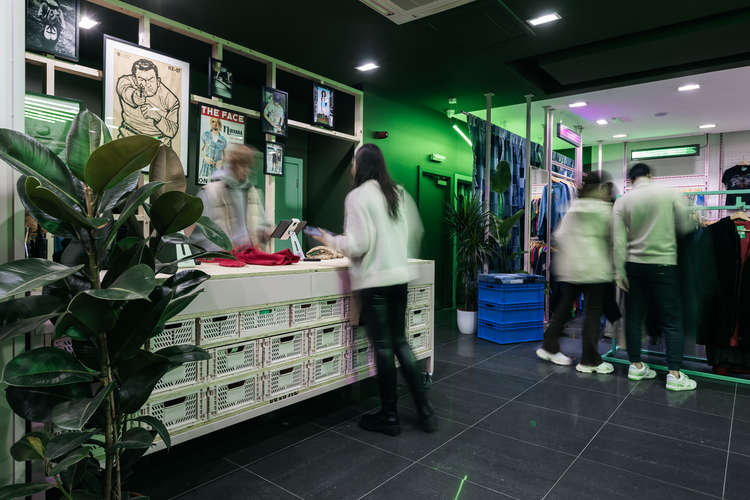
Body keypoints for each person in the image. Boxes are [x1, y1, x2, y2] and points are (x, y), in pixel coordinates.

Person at [312, 144, 435, 436]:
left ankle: (390, 415)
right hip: (399, 278)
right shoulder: (398, 193)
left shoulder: (357, 196)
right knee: (401, 343)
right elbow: (414, 233)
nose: (352, 169)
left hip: (375, 283)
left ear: (362, 165)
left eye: (354, 163)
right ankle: (425, 410)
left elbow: (357, 245)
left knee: (383, 347)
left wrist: (329, 240)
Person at [613, 163, 697, 391]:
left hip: (634, 265)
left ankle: (636, 365)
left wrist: (619, 272)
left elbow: (619, 241)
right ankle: (674, 374)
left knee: (634, 317)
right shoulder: (669, 193)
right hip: (664, 263)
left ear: (630, 180)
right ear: (650, 175)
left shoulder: (622, 201)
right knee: (672, 319)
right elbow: (686, 226)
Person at [536, 173, 616, 374]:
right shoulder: (604, 210)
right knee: (592, 313)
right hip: (595, 268)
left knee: (563, 309)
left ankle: (549, 346)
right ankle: (589, 360)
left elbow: (560, 235)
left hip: (571, 266)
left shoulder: (573, 207)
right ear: (599, 188)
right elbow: (614, 238)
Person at [193, 145, 272, 250]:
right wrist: (225, 248)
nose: (247, 170)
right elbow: (200, 237)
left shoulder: (253, 193)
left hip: (250, 259)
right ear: (233, 164)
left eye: (249, 166)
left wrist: (266, 232)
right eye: (243, 165)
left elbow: (262, 225)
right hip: (222, 261)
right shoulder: (209, 193)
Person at [116, 59, 180, 147]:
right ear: (135, 80)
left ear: (158, 81)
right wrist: (134, 97)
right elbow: (125, 90)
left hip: (158, 147)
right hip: (129, 141)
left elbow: (172, 131)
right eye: (142, 80)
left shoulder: (170, 99)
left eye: (151, 79)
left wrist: (157, 117)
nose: (147, 84)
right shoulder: (125, 81)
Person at [199, 117, 227, 181]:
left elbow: (225, 158)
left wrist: (222, 161)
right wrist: (205, 158)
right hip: (206, 169)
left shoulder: (223, 140)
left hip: (217, 169)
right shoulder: (206, 135)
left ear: (219, 124)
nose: (215, 123)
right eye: (213, 121)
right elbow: (200, 150)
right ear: (211, 123)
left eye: (217, 122)